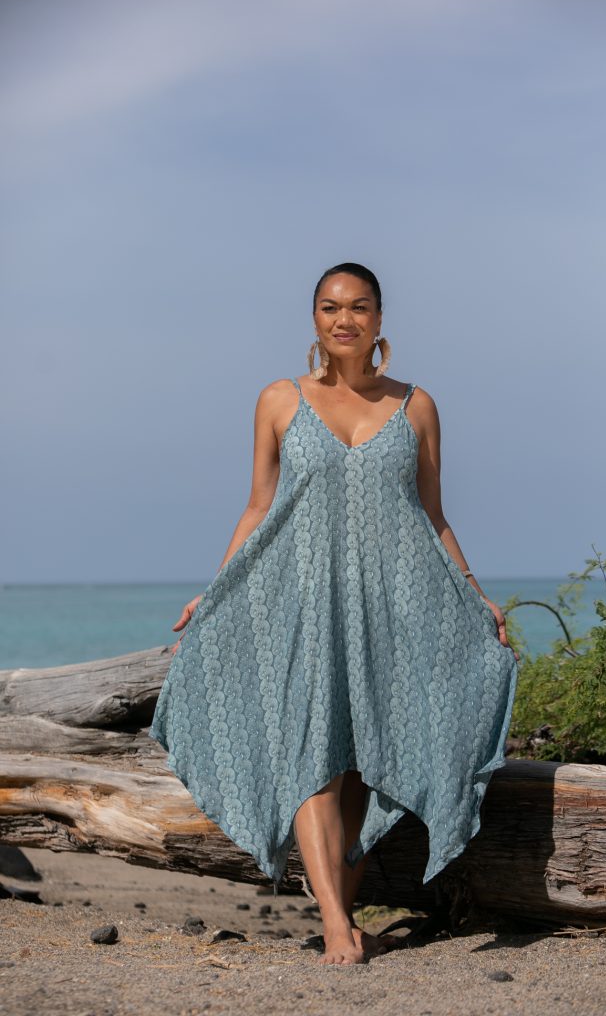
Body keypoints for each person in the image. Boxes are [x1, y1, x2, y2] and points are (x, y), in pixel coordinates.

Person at [149, 261, 519, 966]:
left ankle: (344, 917)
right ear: (313, 319)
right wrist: (219, 588)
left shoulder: (417, 407)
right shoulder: (278, 400)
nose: (342, 319)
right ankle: (331, 924)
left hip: (393, 601)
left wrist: (472, 592)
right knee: (312, 757)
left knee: (359, 765)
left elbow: (433, 517)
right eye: (329, 307)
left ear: (380, 320)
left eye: (358, 307)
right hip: (300, 597)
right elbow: (259, 507)